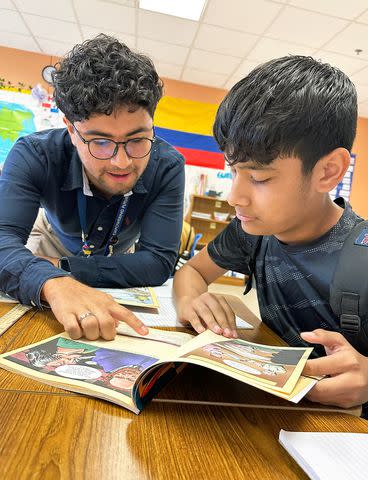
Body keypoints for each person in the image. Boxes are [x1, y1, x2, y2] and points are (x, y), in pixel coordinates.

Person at [173, 55, 368, 412]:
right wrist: (192, 300)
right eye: (233, 171)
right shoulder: (254, 232)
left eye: (259, 178)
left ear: (328, 171)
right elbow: (192, 271)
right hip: (268, 412)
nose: (235, 196)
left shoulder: (362, 258)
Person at [0, 34, 185, 341]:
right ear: (71, 130)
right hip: (51, 240)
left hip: (117, 252)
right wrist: (52, 280)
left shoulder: (167, 166)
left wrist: (65, 268)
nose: (122, 162)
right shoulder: (34, 154)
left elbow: (158, 261)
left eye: (138, 139)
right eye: (100, 142)